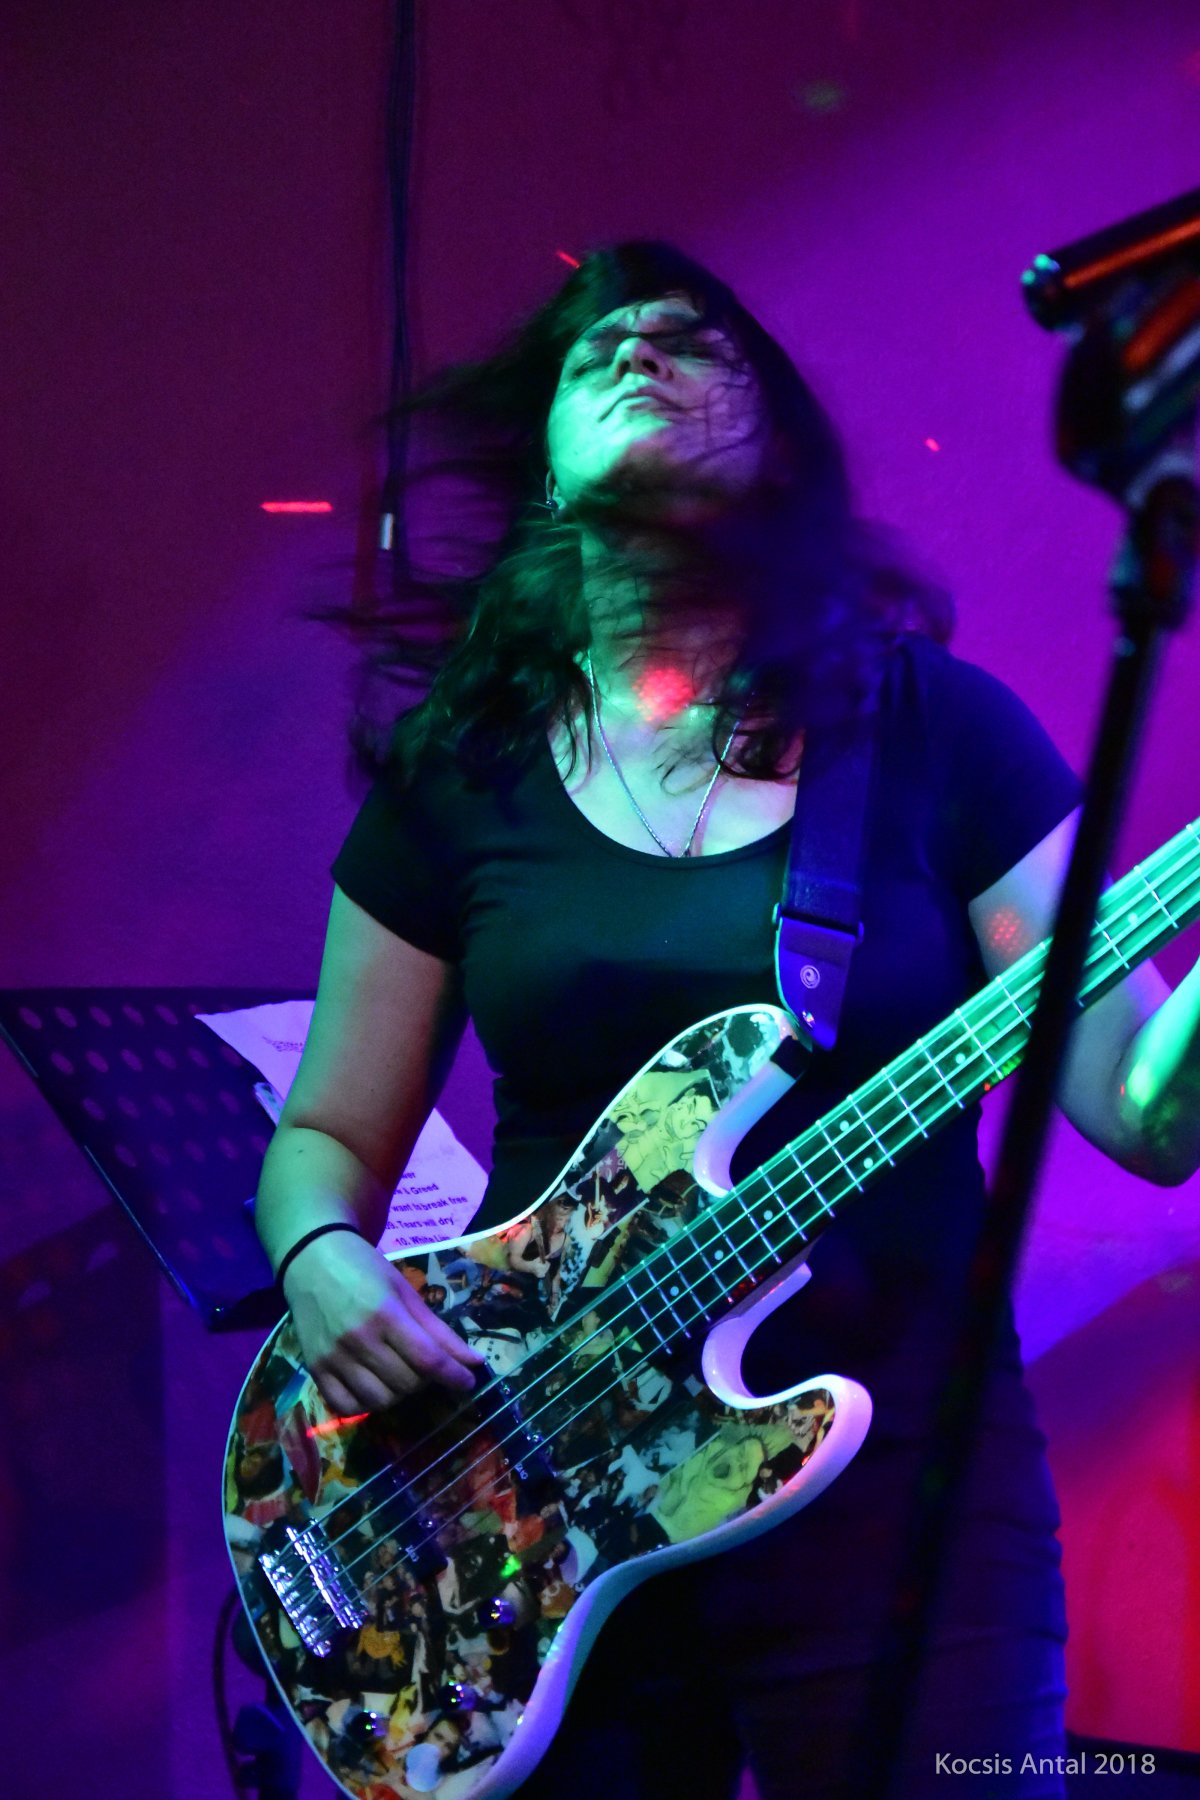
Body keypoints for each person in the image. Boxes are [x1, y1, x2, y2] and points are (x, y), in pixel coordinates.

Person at [253, 242, 1200, 1797]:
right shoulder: (463, 770)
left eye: (691, 343)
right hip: (527, 1485)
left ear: (775, 451)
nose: (635, 347)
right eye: (594, 350)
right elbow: (328, 1137)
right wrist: (317, 1258)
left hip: (907, 1487)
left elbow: (1146, 1114)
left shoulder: (935, 733)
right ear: (550, 468)